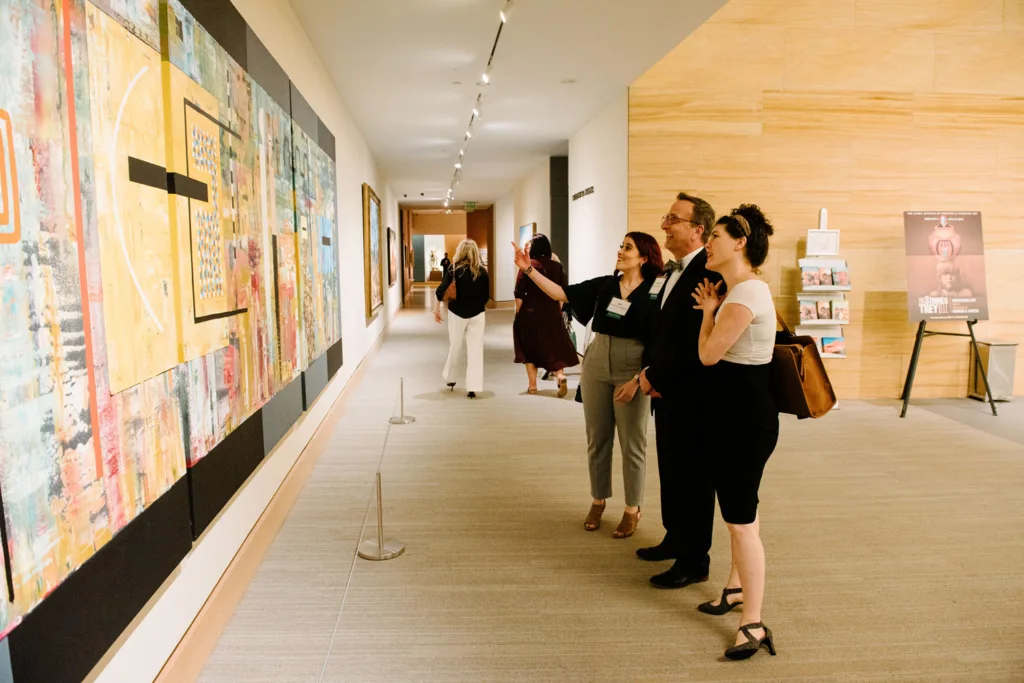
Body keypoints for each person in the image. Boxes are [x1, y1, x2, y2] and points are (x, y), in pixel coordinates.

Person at [513, 233, 664, 538]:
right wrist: (528, 269)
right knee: (597, 438)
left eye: (627, 247)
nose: (620, 251)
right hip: (596, 362)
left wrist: (641, 378)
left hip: (632, 366)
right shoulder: (606, 285)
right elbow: (560, 292)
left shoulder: (655, 290)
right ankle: (598, 500)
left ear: (644, 257)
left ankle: (632, 508)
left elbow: (661, 337)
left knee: (633, 443)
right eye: (620, 245)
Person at [691, 204, 779, 661]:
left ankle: (754, 623)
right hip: (737, 416)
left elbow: (708, 355)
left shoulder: (745, 293)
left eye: (715, 238)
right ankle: (735, 588)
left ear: (740, 243)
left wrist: (709, 313)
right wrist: (713, 307)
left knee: (742, 522)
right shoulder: (741, 290)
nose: (708, 244)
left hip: (744, 421)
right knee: (740, 515)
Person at [636, 192, 723, 590]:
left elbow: (693, 343)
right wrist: (650, 374)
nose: (664, 225)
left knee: (694, 478)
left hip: (693, 394)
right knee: (671, 469)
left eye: (673, 219)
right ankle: (675, 538)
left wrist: (657, 376)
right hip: (666, 390)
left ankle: (694, 559)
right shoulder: (670, 271)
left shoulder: (708, 272)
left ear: (698, 230)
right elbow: (660, 331)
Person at [513, 235, 578, 397]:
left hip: (530, 313)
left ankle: (532, 386)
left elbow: (519, 292)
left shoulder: (528, 265)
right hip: (551, 312)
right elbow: (562, 292)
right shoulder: (557, 267)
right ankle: (560, 376)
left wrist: (518, 313)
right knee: (554, 345)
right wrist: (557, 311)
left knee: (529, 349)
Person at [434, 240, 490, 398]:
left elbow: (440, 291)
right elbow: (486, 296)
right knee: (475, 350)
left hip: (457, 313)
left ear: (460, 251)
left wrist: (437, 309)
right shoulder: (482, 272)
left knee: (455, 346)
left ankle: (450, 378)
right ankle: (473, 387)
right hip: (477, 314)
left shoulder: (453, 270)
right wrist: (476, 305)